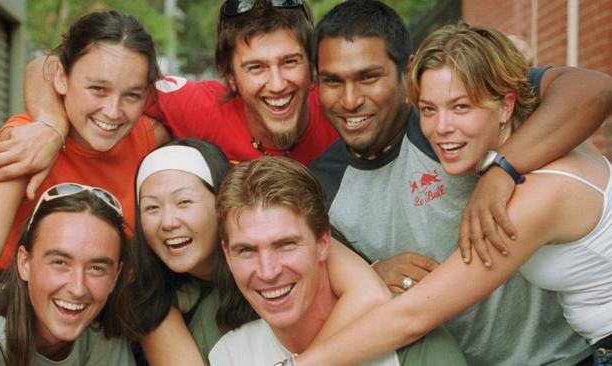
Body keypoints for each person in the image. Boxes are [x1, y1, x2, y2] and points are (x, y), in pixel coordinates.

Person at [308, 1, 612, 365]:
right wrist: (368, 275)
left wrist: (501, 170)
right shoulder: (539, 134)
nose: (441, 127)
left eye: (461, 107)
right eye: (430, 109)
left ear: (505, 106)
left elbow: (411, 317)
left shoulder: (534, 182)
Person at [0, 11, 167, 364]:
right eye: (97, 89)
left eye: (132, 95)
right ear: (62, 78)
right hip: (16, 323)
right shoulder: (26, 143)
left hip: (104, 323)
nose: (113, 110)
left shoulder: (149, 138)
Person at [0, 0, 337, 196]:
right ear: (228, 74)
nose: (276, 84)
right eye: (256, 67)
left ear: (313, 66)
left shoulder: (341, 106)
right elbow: (46, 65)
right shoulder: (201, 105)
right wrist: (51, 126)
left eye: (290, 62)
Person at [130, 139, 391, 365]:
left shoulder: (283, 228)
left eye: (184, 202)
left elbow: (370, 295)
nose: (168, 222)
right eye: (152, 208)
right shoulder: (154, 299)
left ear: (222, 205)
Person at [209, 156, 467, 366]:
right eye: (246, 250)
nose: (267, 271)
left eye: (286, 245)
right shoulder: (226, 352)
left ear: (323, 244)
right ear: (227, 254)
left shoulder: (412, 347)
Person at [0, 183, 135, 365]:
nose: (77, 289)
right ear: (24, 263)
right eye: (60, 263)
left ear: (115, 276)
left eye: (96, 268)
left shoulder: (104, 339)